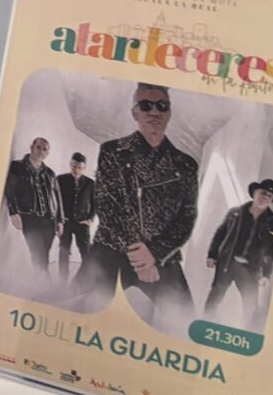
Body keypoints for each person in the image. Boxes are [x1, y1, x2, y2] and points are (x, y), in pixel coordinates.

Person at [76, 81, 198, 325]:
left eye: (162, 106)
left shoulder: (185, 164)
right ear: (135, 113)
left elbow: (187, 217)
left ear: (169, 113)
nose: (154, 112)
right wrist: (140, 255)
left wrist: (154, 253)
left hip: (162, 256)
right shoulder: (113, 151)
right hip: (111, 249)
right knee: (81, 314)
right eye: (146, 105)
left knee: (184, 324)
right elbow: (108, 204)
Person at [204, 179, 273, 326]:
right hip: (227, 263)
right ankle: (206, 324)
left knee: (250, 305)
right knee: (215, 295)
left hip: (250, 269)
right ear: (255, 193)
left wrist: (266, 273)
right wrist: (212, 254)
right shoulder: (235, 213)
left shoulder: (272, 222)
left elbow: (269, 249)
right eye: (263, 193)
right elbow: (220, 233)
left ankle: (246, 331)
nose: (265, 197)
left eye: (270, 196)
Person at [2, 136, 59, 276]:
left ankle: (41, 280)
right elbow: (10, 190)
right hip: (29, 218)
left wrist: (60, 220)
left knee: (43, 256)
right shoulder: (17, 167)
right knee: (37, 254)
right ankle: (43, 281)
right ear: (32, 147)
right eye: (38, 147)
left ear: (47, 153)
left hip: (49, 220)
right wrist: (13, 212)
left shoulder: (50, 173)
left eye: (45, 149)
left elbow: (57, 197)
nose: (41, 151)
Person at [53, 149, 97, 279]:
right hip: (65, 222)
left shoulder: (91, 183)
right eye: (74, 166)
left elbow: (95, 203)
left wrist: (90, 218)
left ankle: (82, 280)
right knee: (64, 252)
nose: (76, 170)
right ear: (70, 164)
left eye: (79, 168)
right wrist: (58, 220)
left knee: (86, 253)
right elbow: (55, 202)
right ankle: (62, 280)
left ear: (84, 168)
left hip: (82, 223)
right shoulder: (60, 180)